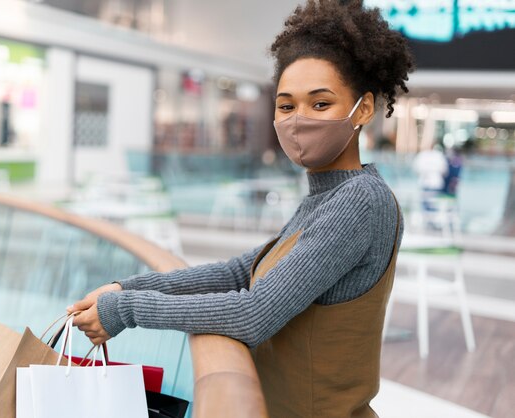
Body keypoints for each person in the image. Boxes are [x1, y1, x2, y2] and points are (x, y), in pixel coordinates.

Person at [69, 1, 414, 416]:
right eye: (286, 106)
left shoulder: (361, 201)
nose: (298, 119)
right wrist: (128, 287)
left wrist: (127, 309)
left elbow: (254, 313)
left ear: (364, 109)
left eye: (320, 104)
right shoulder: (325, 197)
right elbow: (239, 272)